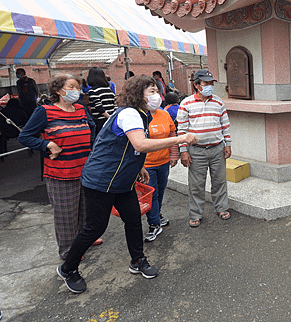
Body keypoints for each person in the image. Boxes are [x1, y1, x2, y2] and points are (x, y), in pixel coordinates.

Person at [56, 75, 198, 294]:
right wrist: (179, 139)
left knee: (132, 219)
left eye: (156, 91)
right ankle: (68, 268)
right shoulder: (130, 113)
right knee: (94, 227)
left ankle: (138, 261)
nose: (157, 96)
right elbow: (140, 144)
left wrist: (137, 166)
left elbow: (129, 146)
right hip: (101, 181)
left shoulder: (141, 115)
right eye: (151, 92)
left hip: (123, 181)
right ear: (137, 94)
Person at [18, 75, 99, 260]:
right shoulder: (45, 112)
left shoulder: (80, 108)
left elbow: (92, 127)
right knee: (66, 216)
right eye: (71, 87)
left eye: (78, 87)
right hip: (60, 174)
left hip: (85, 171)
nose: (76, 91)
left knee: (85, 210)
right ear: (58, 90)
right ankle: (69, 253)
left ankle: (83, 240)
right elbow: (25, 137)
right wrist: (47, 145)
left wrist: (92, 149)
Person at [178, 69, 232, 227]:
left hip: (217, 149)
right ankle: (196, 213)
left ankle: (222, 207)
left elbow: (225, 125)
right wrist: (183, 151)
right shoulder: (186, 103)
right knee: (196, 184)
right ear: (196, 85)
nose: (209, 86)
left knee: (220, 181)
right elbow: (181, 130)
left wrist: (227, 144)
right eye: (206, 83)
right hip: (196, 151)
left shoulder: (218, 102)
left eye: (211, 83)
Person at [143, 93, 179, 242]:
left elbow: (172, 134)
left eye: (155, 91)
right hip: (146, 165)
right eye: (150, 92)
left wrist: (174, 155)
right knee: (152, 194)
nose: (154, 96)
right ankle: (154, 224)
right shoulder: (137, 116)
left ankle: (157, 215)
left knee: (161, 190)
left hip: (163, 161)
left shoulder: (164, 114)